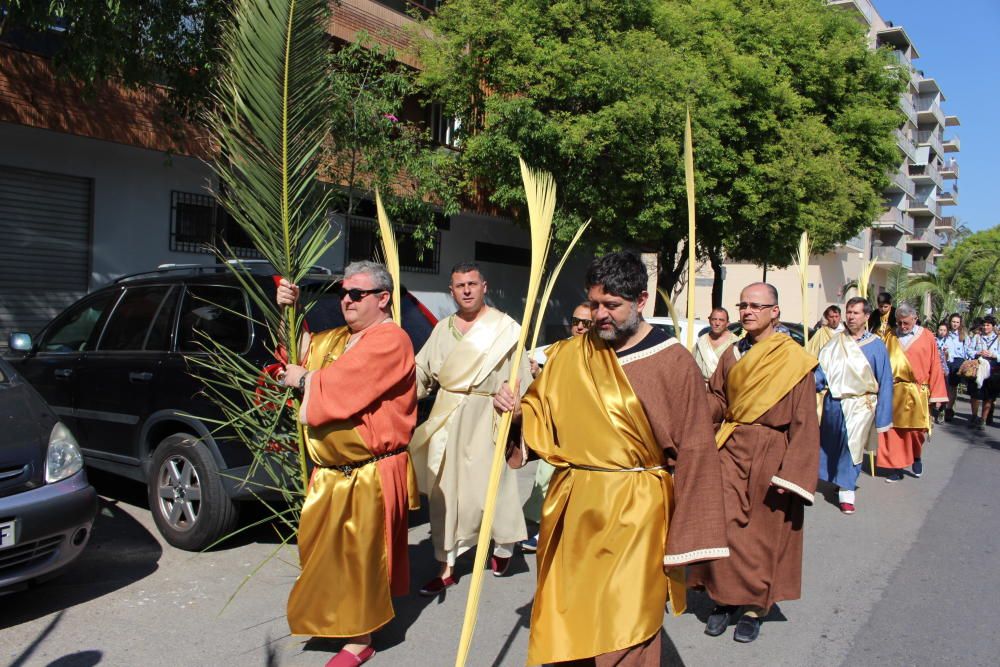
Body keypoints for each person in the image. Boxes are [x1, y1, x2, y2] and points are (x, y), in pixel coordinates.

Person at [497, 251, 729, 666]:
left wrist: (689, 542)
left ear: (642, 301)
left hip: (636, 509)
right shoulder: (570, 354)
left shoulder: (674, 361)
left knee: (627, 620)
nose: (600, 315)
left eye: (612, 305)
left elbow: (696, 451)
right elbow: (542, 413)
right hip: (572, 505)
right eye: (594, 304)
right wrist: (515, 412)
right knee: (571, 610)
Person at [276, 261, 417, 667]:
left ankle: (361, 638)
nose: (347, 301)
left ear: (383, 298)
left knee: (361, 558)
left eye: (356, 294)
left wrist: (306, 380)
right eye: (343, 293)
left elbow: (345, 385)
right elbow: (298, 352)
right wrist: (289, 308)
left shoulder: (391, 340)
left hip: (368, 469)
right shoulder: (340, 337)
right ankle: (337, 619)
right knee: (325, 553)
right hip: (332, 472)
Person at [687, 282, 820, 644]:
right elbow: (718, 398)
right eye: (743, 305)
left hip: (770, 452)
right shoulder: (732, 353)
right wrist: (694, 406)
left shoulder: (794, 360)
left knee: (762, 535)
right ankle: (724, 599)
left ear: (774, 312)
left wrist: (793, 473)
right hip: (730, 447)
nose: (747, 311)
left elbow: (805, 420)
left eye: (756, 306)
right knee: (723, 525)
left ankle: (754, 607)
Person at [410, 262, 529, 595]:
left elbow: (521, 380)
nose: (466, 290)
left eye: (472, 284)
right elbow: (422, 373)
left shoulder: (506, 328)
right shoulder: (442, 329)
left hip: (487, 414)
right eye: (459, 285)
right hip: (447, 416)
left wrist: (512, 398)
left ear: (484, 286)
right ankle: (445, 564)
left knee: (490, 490)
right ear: (452, 291)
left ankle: (504, 546)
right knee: (445, 493)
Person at [521, 302, 593, 553]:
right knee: (547, 479)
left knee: (575, 486)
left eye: (587, 323)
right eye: (576, 321)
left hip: (586, 431)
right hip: (557, 427)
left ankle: (564, 534)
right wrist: (536, 373)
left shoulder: (600, 353)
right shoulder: (559, 349)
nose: (580, 327)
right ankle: (545, 531)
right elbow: (549, 384)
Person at [816, 297, 893, 514]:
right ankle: (837, 479)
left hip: (861, 405)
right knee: (832, 446)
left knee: (853, 447)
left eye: (856, 313)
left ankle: (847, 491)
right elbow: (821, 373)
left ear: (867, 316)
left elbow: (885, 380)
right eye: (848, 312)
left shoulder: (876, 345)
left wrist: (883, 416)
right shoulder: (834, 343)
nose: (850, 316)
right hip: (834, 403)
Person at [877, 303, 948, 482]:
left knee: (916, 432)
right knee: (894, 432)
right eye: (899, 323)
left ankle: (916, 456)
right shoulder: (890, 336)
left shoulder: (928, 336)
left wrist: (937, 395)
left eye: (906, 323)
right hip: (895, 391)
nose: (902, 327)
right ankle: (897, 467)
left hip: (918, 391)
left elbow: (935, 366)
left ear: (915, 319)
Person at [964, 314, 1000, 429]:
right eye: (984, 325)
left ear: (993, 326)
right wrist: (977, 353)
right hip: (977, 368)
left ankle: (983, 419)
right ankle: (974, 416)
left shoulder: (998, 339)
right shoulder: (977, 337)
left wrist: (993, 355)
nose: (985, 327)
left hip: (992, 369)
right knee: (974, 394)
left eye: (988, 325)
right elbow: (968, 351)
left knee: (988, 396)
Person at [694, 307, 739, 380]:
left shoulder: (735, 343)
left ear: (727, 323)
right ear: (709, 321)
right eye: (714, 319)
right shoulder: (701, 341)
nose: (717, 323)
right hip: (701, 387)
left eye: (721, 320)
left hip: (724, 389)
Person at [940, 313, 968, 422]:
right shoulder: (945, 333)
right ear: (950, 322)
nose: (955, 324)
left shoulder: (963, 335)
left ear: (960, 323)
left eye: (957, 322)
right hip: (946, 361)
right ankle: (943, 407)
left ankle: (949, 409)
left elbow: (968, 350)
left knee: (953, 387)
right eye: (953, 322)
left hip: (958, 362)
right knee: (944, 385)